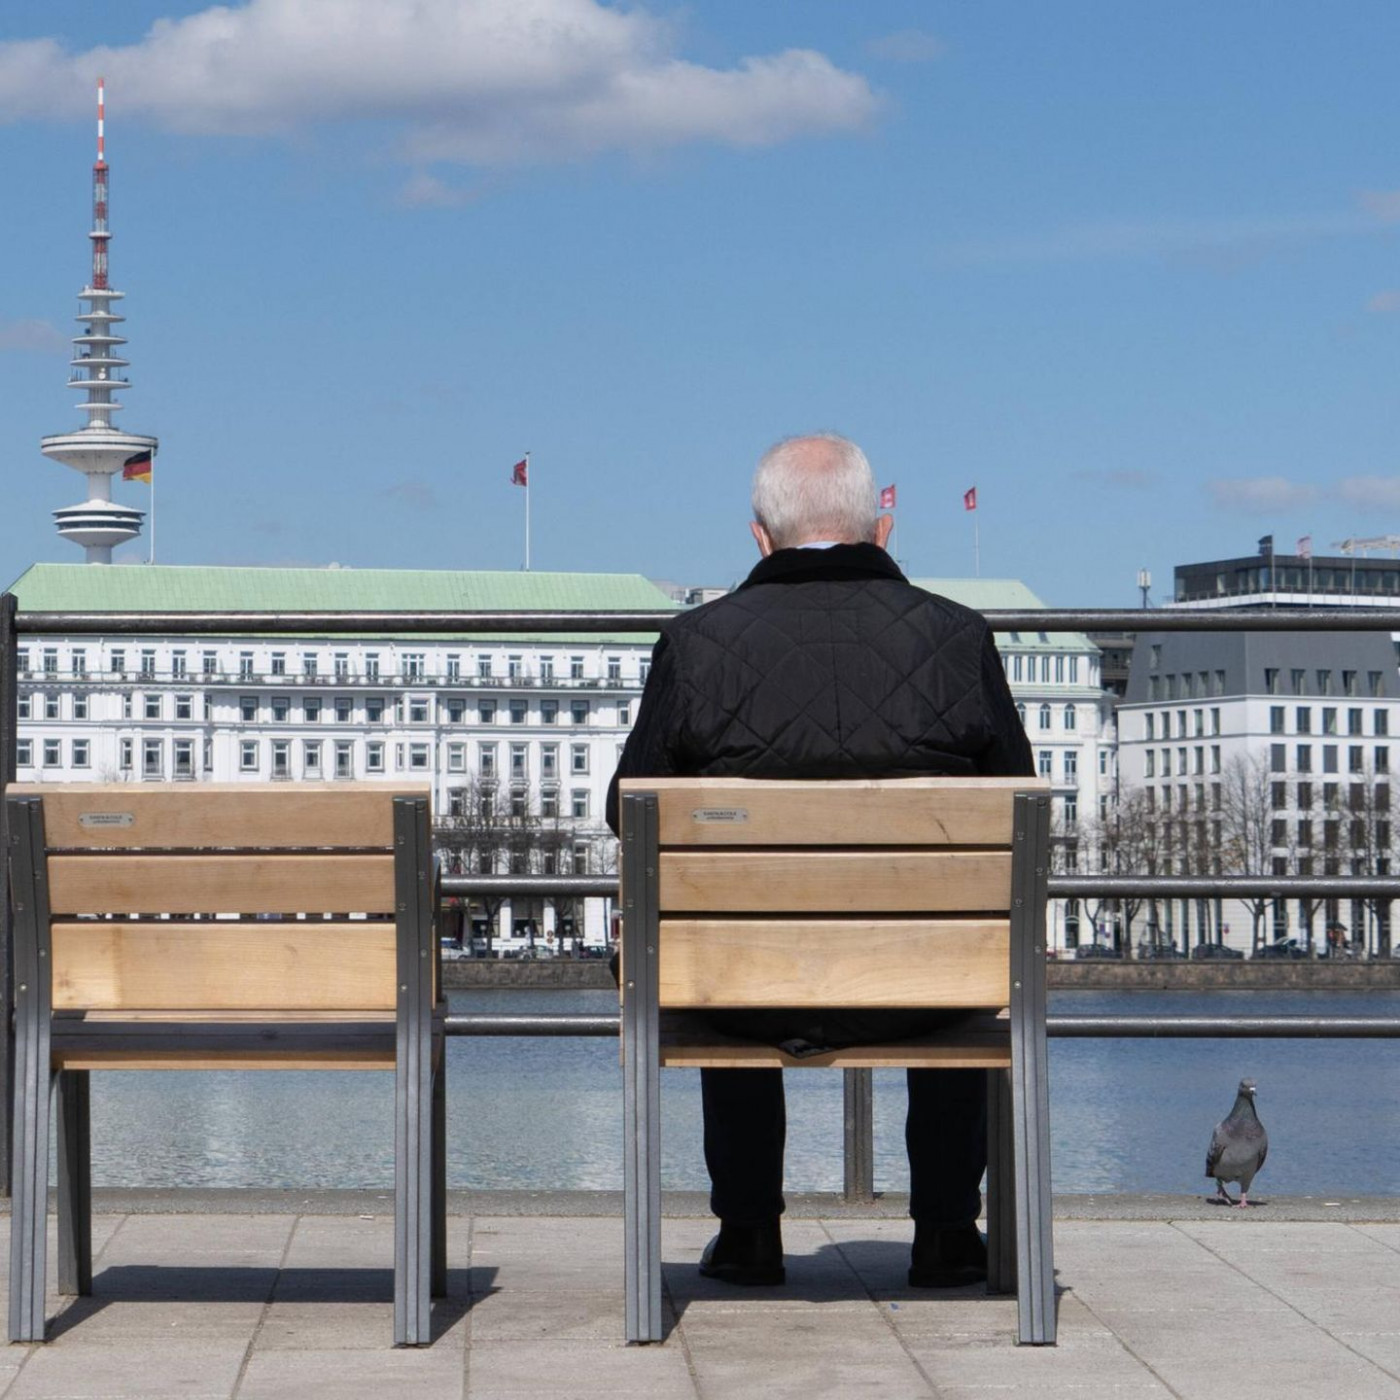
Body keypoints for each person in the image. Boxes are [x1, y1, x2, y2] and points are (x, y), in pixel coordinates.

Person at [606, 432, 1033, 1289]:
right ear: (881, 529)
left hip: (750, 987)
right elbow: (1014, 805)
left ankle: (750, 1232)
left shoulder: (694, 644)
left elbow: (629, 812)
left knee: (723, 949)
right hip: (922, 986)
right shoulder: (960, 638)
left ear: (760, 539)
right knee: (954, 963)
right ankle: (948, 1232)